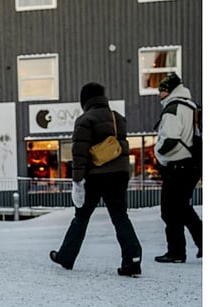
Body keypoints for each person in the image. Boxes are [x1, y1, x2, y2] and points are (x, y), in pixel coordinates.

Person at [49, 82, 143, 277]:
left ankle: (66, 257)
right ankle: (132, 259)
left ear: (85, 100)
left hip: (95, 176)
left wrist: (77, 181)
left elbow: (79, 154)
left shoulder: (85, 120)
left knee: (81, 217)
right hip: (119, 175)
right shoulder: (118, 119)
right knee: (120, 216)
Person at [153, 72, 202, 263]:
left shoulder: (173, 109)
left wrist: (159, 154)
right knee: (182, 207)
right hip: (192, 164)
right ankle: (199, 244)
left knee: (169, 209)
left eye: (162, 90)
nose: (159, 95)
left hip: (178, 166)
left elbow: (170, 140)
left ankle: (176, 252)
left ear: (170, 90)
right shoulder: (190, 106)